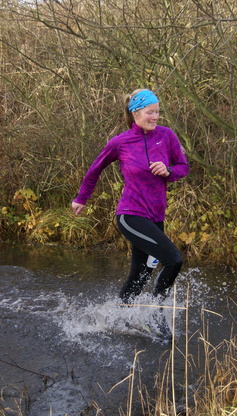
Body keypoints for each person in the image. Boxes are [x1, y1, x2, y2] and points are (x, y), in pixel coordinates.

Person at [71, 89, 189, 305]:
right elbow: (95, 169)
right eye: (150, 112)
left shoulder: (166, 136)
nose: (155, 117)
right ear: (135, 113)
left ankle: (119, 317)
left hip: (156, 217)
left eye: (157, 112)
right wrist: (81, 198)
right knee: (173, 260)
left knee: (140, 276)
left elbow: (183, 167)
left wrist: (169, 171)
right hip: (131, 215)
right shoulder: (120, 142)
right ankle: (158, 314)